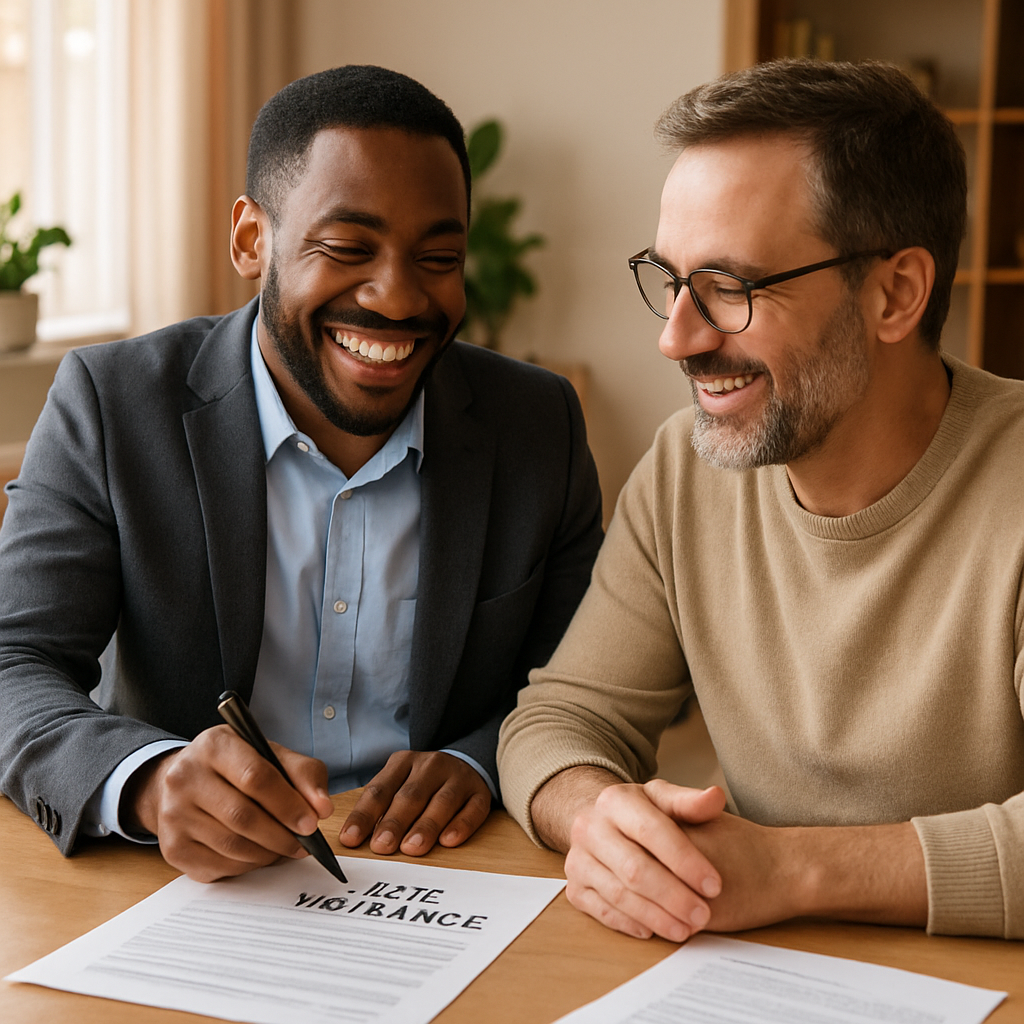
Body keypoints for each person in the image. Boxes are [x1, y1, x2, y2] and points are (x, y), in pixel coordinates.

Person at [0, 65, 602, 883]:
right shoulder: (112, 405)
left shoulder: (539, 424)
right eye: (348, 248)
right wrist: (149, 782)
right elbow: (15, 662)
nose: (398, 299)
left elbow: (583, 686)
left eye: (439, 257)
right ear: (253, 240)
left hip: (455, 876)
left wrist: (479, 759)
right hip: (188, 889)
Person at [497, 59, 1024, 942]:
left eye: (730, 288)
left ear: (896, 294)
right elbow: (563, 717)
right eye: (671, 280)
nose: (676, 338)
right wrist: (597, 815)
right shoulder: (684, 470)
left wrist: (790, 869)